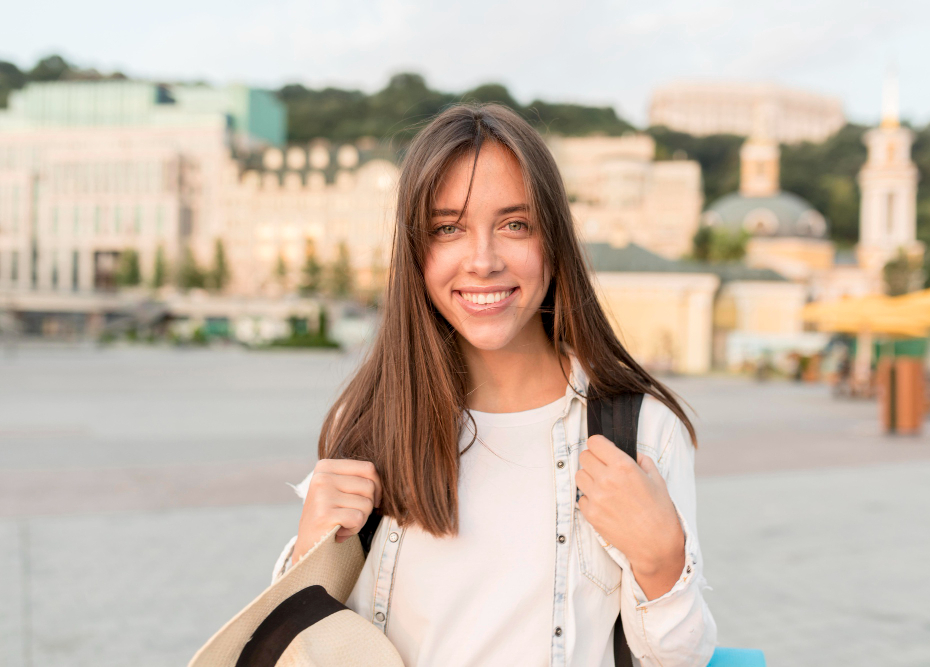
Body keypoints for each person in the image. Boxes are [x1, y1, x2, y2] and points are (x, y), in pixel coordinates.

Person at [273, 105, 716, 666]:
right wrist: (307, 560)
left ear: (553, 242)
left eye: (514, 225)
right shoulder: (368, 424)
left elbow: (680, 659)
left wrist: (662, 562)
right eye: (448, 229)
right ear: (415, 252)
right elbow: (304, 649)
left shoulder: (640, 432)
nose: (482, 261)